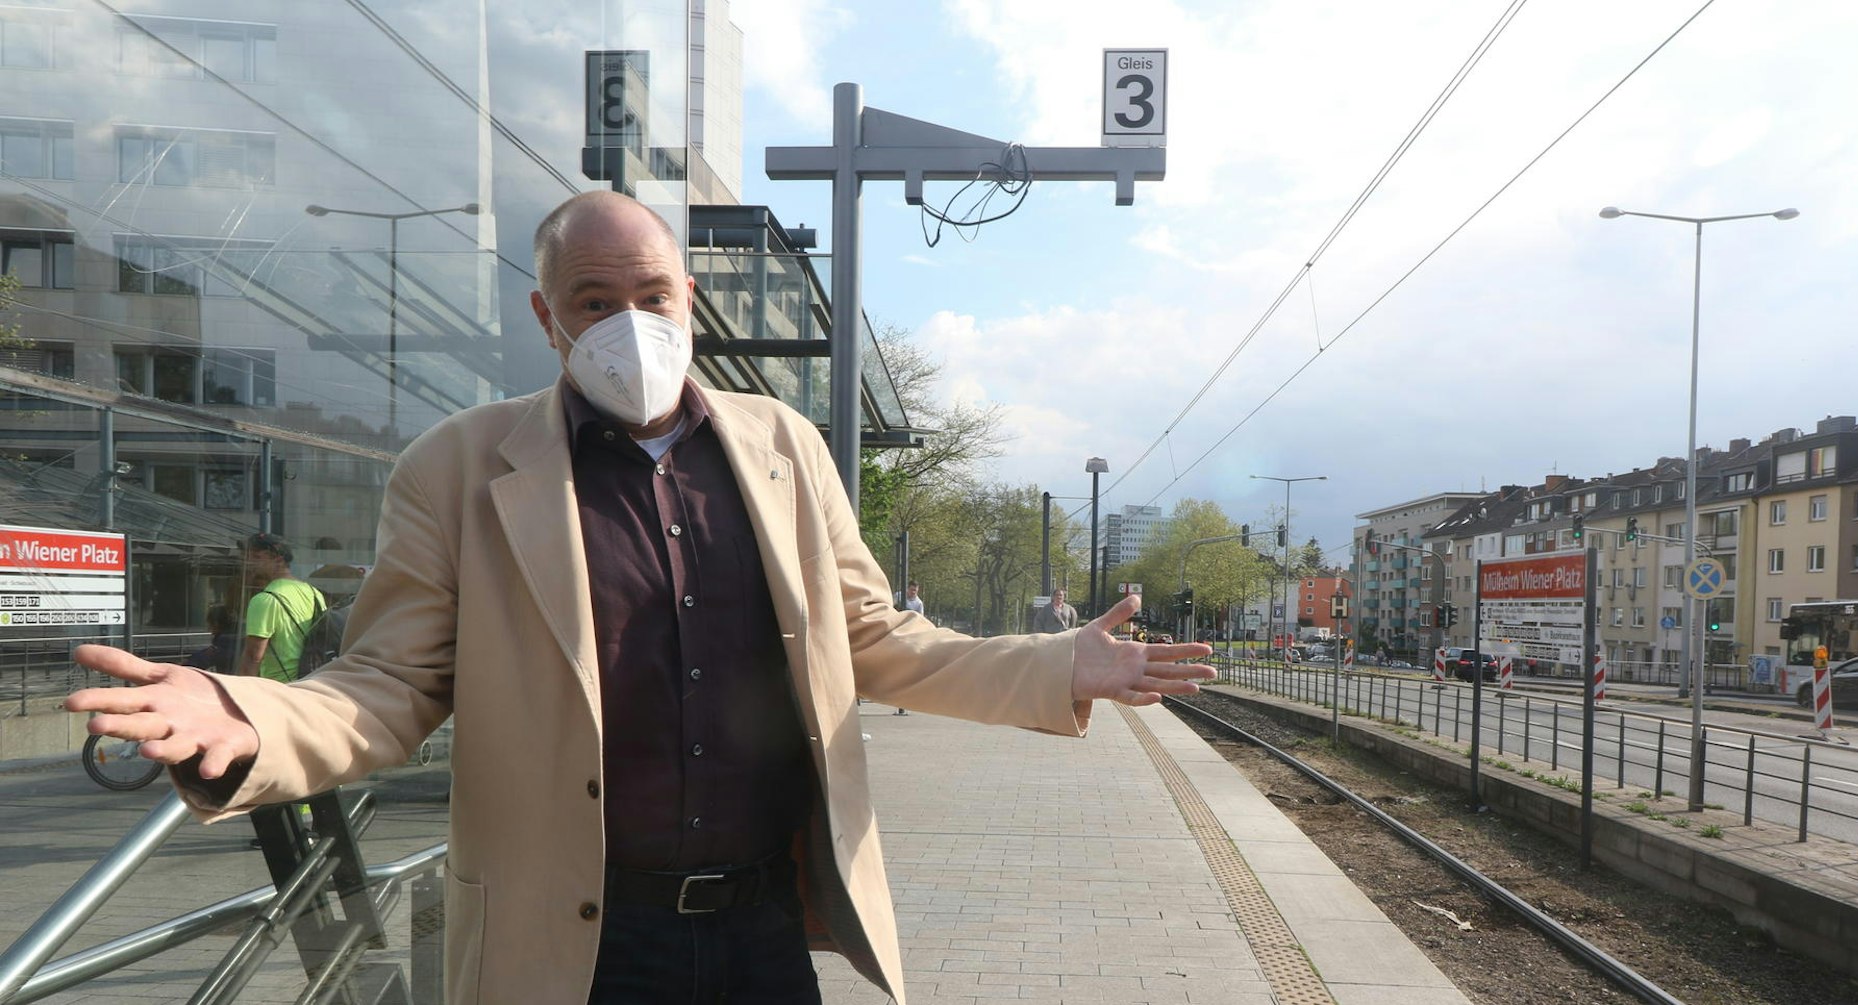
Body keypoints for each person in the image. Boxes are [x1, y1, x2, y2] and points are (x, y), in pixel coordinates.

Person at [66, 191, 1213, 1005]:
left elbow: (870, 635)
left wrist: (1056, 665)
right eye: (592, 296)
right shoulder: (457, 468)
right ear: (546, 316)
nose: (627, 319)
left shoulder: (785, 446)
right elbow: (389, 685)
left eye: (650, 290)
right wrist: (247, 720)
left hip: (768, 926)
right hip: (579, 938)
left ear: (690, 296)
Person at [237, 533, 327, 682]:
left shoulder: (265, 599)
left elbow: (253, 657)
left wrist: (241, 693)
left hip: (278, 688)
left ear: (278, 560)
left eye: (257, 557)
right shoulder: (314, 593)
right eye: (246, 558)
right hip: (310, 682)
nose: (248, 563)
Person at [184, 605, 240, 674]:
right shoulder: (235, 636)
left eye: (209, 625)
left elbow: (206, 657)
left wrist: (185, 664)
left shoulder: (224, 641)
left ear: (216, 624)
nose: (209, 629)